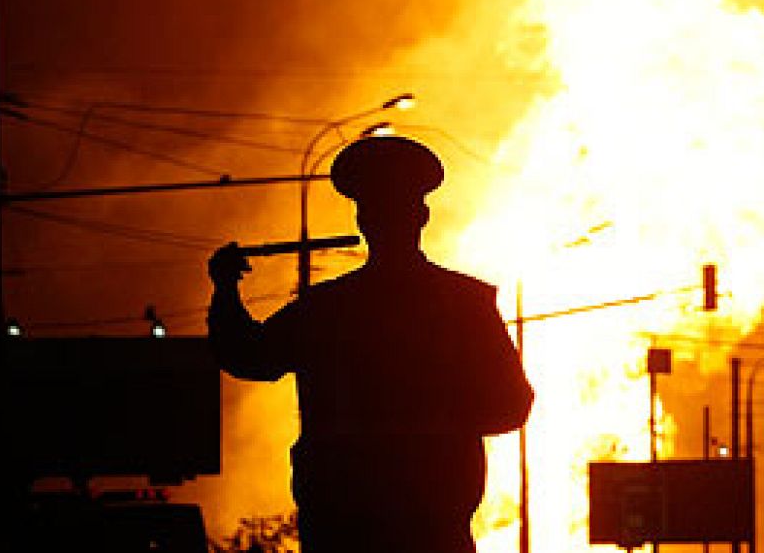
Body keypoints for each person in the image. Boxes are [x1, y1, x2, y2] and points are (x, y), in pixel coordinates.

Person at [208, 135, 532, 553]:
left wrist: (226, 290)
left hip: (345, 525)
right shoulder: (465, 304)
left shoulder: (326, 309)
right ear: (421, 215)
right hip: (429, 526)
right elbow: (511, 403)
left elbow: (249, 355)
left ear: (364, 222)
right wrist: (441, 423)